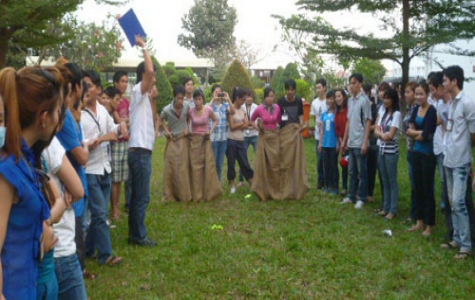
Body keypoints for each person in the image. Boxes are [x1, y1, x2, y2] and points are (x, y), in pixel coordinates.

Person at [0, 66, 64, 299]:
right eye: (57, 110)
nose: (60, 118)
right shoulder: (7, 170)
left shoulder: (25, 164)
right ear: (44, 118)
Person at [82, 70, 128, 264]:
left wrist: (121, 127)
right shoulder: (78, 113)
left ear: (98, 89)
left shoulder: (102, 110)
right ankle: (106, 255)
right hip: (90, 169)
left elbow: (113, 129)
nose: (85, 89)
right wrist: (94, 141)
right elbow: (77, 141)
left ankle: (87, 250)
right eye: (83, 84)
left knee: (98, 215)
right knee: (100, 213)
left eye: (89, 85)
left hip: (104, 168)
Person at [441, 66, 475, 259]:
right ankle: (457, 238)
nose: (443, 83)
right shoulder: (452, 103)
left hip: (461, 161)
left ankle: (466, 245)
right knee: (453, 202)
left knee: (460, 202)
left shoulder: (467, 103)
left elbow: (473, 134)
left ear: (454, 81)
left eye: (445, 80)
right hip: (449, 159)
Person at [128, 35, 158, 247]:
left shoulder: (145, 97)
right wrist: (145, 48)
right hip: (139, 153)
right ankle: (138, 236)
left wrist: (154, 99)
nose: (154, 77)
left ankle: (135, 234)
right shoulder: (137, 90)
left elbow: (154, 122)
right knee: (142, 197)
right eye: (151, 74)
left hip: (143, 151)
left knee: (139, 196)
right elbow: (149, 72)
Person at [406, 82, 437, 236]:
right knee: (417, 187)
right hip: (416, 152)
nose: (418, 97)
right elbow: (408, 129)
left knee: (427, 189)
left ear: (427, 94)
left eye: (421, 94)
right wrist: (417, 133)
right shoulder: (416, 109)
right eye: (416, 94)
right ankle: (419, 221)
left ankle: (429, 225)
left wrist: (415, 133)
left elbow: (426, 135)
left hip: (427, 154)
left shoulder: (432, 111)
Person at [341, 73, 372, 209]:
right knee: (352, 171)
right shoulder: (350, 101)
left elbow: (368, 121)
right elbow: (348, 121)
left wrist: (365, 142)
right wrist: (344, 140)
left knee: (362, 172)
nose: (351, 86)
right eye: (350, 83)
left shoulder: (364, 100)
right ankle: (351, 195)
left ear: (360, 84)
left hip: (360, 141)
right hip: (351, 141)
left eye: (354, 83)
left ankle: (362, 197)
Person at [187, 89, 222, 201]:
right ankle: (196, 192)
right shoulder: (191, 111)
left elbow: (216, 120)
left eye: (200, 99)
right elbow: (187, 122)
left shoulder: (208, 109)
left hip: (206, 140)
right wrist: (188, 132)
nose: (198, 102)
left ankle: (208, 191)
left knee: (207, 165)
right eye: (196, 99)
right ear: (193, 100)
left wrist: (210, 131)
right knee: (195, 166)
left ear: (203, 99)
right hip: (195, 141)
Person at [161, 85, 192, 201]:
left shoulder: (187, 106)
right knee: (170, 166)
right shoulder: (166, 110)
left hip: (183, 139)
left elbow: (189, 117)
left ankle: (184, 194)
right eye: (178, 98)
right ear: (174, 97)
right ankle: (169, 194)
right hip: (172, 140)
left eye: (182, 98)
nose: (180, 101)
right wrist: (166, 130)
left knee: (183, 167)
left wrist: (187, 127)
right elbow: (161, 119)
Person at [374, 88, 401, 220]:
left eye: (387, 98)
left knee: (392, 181)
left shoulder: (396, 114)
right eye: (383, 98)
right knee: (384, 180)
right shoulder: (383, 113)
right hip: (382, 150)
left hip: (391, 152)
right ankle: (385, 207)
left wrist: (382, 135)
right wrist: (381, 135)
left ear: (393, 99)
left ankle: (393, 209)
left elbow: (391, 135)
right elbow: (376, 130)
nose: (385, 100)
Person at [226, 87, 254, 194]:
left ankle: (252, 182)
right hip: (231, 139)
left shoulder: (243, 109)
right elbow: (232, 126)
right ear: (237, 98)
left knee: (244, 162)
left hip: (241, 139)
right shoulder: (230, 108)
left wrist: (242, 124)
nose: (244, 102)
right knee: (231, 162)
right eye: (242, 99)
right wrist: (242, 124)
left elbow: (247, 123)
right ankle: (232, 184)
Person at [112, 70, 131, 213]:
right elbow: (118, 120)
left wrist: (125, 122)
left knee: (121, 178)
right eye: (122, 81)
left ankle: (117, 205)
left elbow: (130, 119)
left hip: (125, 141)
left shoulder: (126, 101)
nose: (125, 84)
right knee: (115, 178)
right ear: (116, 83)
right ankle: (114, 208)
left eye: (126, 81)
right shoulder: (114, 100)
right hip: (115, 142)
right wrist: (125, 122)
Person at [208, 84, 235, 181]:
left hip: (223, 139)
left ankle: (218, 184)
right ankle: (212, 184)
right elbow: (205, 112)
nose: (218, 93)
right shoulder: (210, 105)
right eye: (216, 91)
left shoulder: (225, 105)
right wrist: (213, 99)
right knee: (213, 164)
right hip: (213, 139)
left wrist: (228, 99)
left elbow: (233, 111)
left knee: (219, 165)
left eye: (220, 91)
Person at [402, 82, 418, 223]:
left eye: (408, 92)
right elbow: (405, 128)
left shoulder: (417, 109)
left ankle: (417, 214)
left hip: (417, 149)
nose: (405, 95)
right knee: (413, 183)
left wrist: (410, 130)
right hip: (409, 148)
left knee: (417, 184)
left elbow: (411, 129)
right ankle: (414, 213)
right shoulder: (409, 109)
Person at [318, 90, 338, 195]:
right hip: (325, 144)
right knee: (325, 166)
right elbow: (321, 130)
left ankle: (335, 187)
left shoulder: (337, 113)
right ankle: (327, 185)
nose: (330, 100)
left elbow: (339, 129)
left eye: (332, 98)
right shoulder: (324, 114)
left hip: (333, 144)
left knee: (333, 166)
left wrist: (339, 143)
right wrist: (320, 143)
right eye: (328, 98)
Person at [238, 89, 258, 187]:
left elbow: (257, 121)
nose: (249, 99)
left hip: (255, 134)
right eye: (247, 97)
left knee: (259, 156)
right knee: (242, 158)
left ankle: (259, 178)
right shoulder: (241, 107)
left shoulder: (256, 107)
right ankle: (241, 180)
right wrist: (247, 125)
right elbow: (241, 121)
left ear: (253, 98)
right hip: (244, 135)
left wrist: (250, 125)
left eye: (251, 97)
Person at [310, 78, 328, 190]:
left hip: (328, 135)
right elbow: (313, 116)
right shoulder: (314, 102)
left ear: (325, 88)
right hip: (318, 135)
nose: (318, 90)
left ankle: (328, 180)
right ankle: (320, 181)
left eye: (320, 87)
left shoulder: (329, 101)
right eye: (317, 88)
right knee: (319, 159)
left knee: (328, 159)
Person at [364, 83, 380, 203]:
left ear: (368, 93)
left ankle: (369, 192)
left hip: (372, 140)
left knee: (371, 166)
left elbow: (376, 125)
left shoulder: (374, 107)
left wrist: (367, 128)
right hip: (360, 139)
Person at [334, 88, 348, 196]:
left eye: (339, 96)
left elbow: (350, 125)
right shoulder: (337, 112)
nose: (338, 99)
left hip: (350, 141)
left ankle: (354, 188)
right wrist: (341, 141)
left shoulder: (349, 109)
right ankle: (344, 187)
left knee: (352, 166)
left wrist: (346, 142)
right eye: (336, 97)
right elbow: (337, 129)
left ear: (344, 96)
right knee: (344, 163)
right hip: (342, 141)